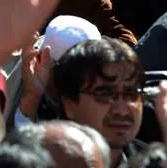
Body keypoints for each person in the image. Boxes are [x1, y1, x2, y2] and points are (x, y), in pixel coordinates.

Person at [53, 38, 147, 167]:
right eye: (105, 95)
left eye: (131, 94)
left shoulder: (156, 163)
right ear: (70, 105)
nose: (121, 110)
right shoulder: (38, 161)